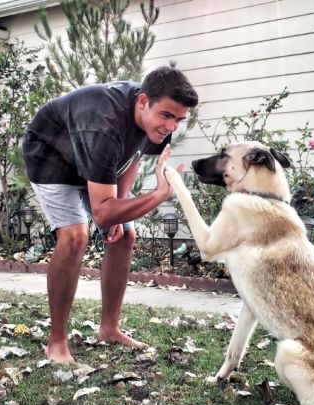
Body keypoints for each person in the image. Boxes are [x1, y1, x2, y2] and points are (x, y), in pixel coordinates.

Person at [22, 66, 199, 363]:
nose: (171, 126)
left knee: (125, 235)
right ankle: (56, 343)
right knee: (75, 237)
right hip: (51, 155)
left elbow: (132, 156)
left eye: (179, 120)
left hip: (93, 160)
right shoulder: (104, 124)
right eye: (167, 116)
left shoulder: (156, 120)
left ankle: (109, 328)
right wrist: (155, 195)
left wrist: (120, 206)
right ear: (143, 102)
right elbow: (103, 214)